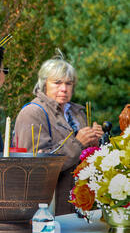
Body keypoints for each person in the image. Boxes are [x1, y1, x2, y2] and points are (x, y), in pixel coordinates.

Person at [13, 51, 103, 215]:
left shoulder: (77, 112)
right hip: (49, 210)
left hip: (81, 205)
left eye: (68, 83)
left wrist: (95, 143)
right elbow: (35, 166)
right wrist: (78, 143)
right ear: (43, 84)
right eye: (57, 82)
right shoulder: (33, 113)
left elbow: (84, 159)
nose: (63, 88)